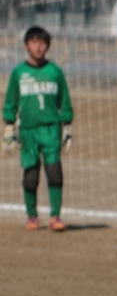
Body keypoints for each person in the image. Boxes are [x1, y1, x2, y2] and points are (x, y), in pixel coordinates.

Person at [3, 26, 73, 232]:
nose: (38, 46)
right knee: (31, 175)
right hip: (28, 131)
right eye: (34, 42)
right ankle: (32, 217)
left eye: (42, 42)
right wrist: (9, 126)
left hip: (51, 130)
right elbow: (11, 101)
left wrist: (67, 126)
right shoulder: (19, 72)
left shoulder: (55, 72)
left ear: (48, 46)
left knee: (54, 172)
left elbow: (64, 101)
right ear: (26, 45)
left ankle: (55, 216)